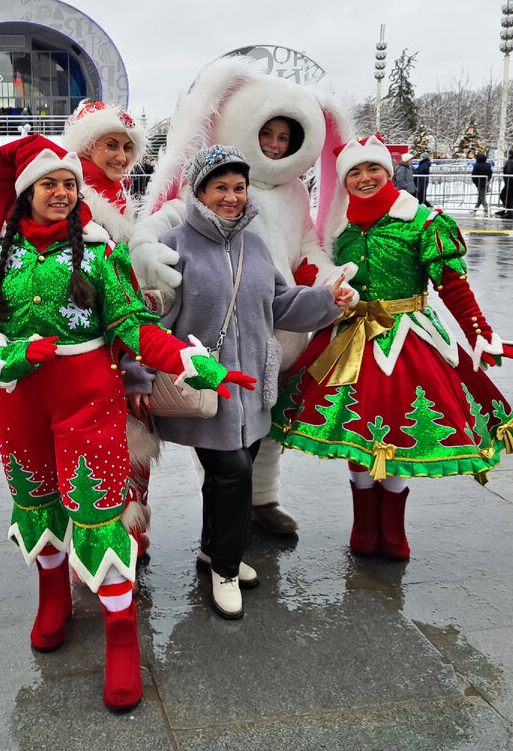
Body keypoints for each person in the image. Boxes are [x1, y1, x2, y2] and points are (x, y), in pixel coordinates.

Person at [0, 134, 253, 712]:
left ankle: (120, 636)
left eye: (68, 184)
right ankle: (52, 596)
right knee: (37, 503)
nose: (61, 193)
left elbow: (133, 324)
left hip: (89, 399)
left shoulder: (98, 250)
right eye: (48, 184)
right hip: (18, 401)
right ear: (25, 192)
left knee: (101, 511)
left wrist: (189, 362)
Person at [271, 137, 513, 559]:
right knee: (358, 432)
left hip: (410, 341)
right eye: (354, 172)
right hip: (351, 337)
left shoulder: (424, 222)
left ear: (389, 173)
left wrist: (479, 333)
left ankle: (392, 530)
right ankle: (363, 527)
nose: (364, 178)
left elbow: (454, 288)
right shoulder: (339, 229)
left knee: (395, 431)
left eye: (373, 170)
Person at [130, 56, 355, 537]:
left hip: (275, 322)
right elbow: (168, 216)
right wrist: (145, 245)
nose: (274, 145)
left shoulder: (294, 192)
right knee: (218, 430)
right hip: (214, 329)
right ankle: (223, 530)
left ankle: (261, 500)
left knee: (264, 422)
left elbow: (308, 244)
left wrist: (329, 280)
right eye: (268, 134)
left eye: (285, 139)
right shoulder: (216, 185)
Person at [125, 146, 350, 619]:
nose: (231, 197)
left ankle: (212, 549)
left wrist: (330, 300)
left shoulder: (256, 245)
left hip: (252, 389)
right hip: (204, 388)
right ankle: (225, 568)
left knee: (229, 476)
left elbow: (283, 306)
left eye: (238, 187)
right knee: (234, 476)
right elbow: (149, 322)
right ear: (200, 192)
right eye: (220, 187)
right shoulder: (178, 247)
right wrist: (139, 378)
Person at [59, 100, 158, 559]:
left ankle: (129, 539)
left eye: (126, 147)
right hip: (99, 350)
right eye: (110, 145)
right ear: (85, 146)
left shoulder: (116, 199)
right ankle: (107, 548)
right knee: (101, 453)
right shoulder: (77, 202)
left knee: (126, 447)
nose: (120, 156)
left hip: (127, 344)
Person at [499, 149, 513, 219]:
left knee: (506, 196)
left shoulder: (511, 161)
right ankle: (507, 210)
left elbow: (509, 171)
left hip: (510, 181)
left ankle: (509, 212)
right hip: (511, 181)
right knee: (506, 196)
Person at [471, 150, 493, 215]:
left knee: (481, 197)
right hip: (485, 182)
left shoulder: (477, 165)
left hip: (479, 183)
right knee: (481, 196)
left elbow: (474, 174)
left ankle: (485, 209)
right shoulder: (488, 165)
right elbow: (490, 173)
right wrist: (488, 180)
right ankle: (475, 209)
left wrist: (475, 182)